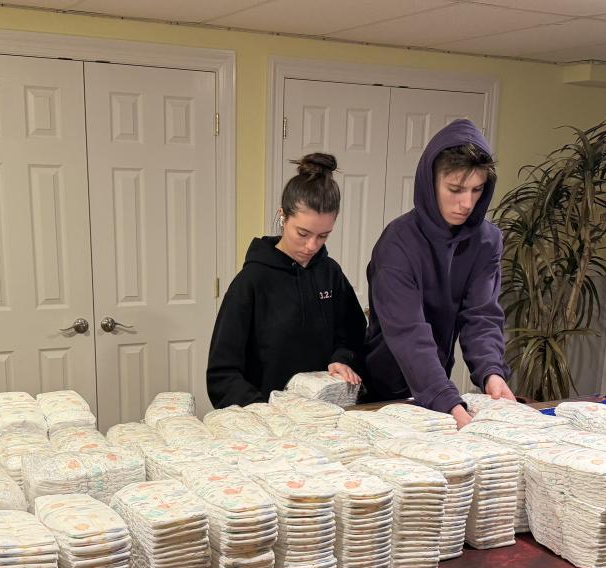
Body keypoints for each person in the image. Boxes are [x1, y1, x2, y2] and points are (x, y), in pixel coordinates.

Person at [363, 119, 515, 429]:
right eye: (455, 189)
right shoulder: (397, 243)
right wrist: (446, 399)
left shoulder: (487, 241)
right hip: (383, 389)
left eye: (477, 190)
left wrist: (492, 372)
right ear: (430, 181)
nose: (467, 203)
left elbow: (481, 316)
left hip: (435, 382)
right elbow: (409, 333)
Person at [206, 153, 366, 408]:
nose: (311, 246)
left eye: (323, 236)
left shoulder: (330, 274)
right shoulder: (251, 282)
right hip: (267, 420)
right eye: (302, 233)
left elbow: (352, 335)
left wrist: (342, 359)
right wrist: (263, 412)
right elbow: (222, 374)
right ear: (283, 216)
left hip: (325, 416)